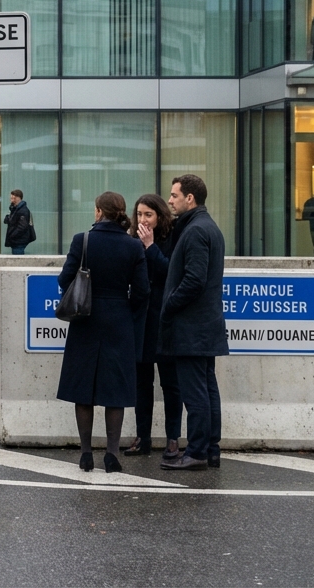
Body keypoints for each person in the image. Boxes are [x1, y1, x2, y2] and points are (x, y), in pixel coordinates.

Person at [56, 192, 149, 474]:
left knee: (83, 388)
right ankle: (111, 453)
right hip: (119, 321)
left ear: (98, 212)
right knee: (115, 390)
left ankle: (85, 453)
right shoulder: (133, 246)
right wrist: (123, 308)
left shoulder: (81, 240)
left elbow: (64, 279)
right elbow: (143, 290)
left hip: (85, 319)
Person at [158, 174, 228, 471]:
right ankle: (211, 449)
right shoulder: (205, 227)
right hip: (204, 324)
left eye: (174, 196)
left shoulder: (196, 231)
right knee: (207, 388)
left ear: (190, 198)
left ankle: (197, 451)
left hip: (192, 326)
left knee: (195, 392)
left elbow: (194, 281)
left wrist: (169, 304)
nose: (170, 200)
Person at [127, 193, 182, 460]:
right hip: (141, 320)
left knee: (171, 384)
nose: (143, 220)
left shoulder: (172, 239)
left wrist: (150, 247)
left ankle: (173, 438)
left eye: (148, 214)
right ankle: (143, 437)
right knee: (142, 383)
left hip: (165, 320)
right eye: (139, 214)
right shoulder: (132, 239)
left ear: (159, 216)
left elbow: (169, 273)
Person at [3, 189, 36, 255]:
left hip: (19, 241)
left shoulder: (22, 210)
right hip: (17, 240)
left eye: (13, 197)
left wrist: (12, 235)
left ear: (18, 198)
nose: (11, 199)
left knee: (17, 259)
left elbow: (22, 227)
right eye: (11, 197)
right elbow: (8, 220)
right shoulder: (15, 209)